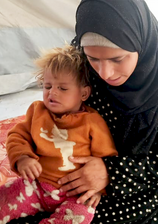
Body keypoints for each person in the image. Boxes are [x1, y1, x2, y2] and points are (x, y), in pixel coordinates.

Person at [8, 0, 158, 223]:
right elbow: (57, 107)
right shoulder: (80, 59)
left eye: (117, 59)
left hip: (132, 186)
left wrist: (110, 173)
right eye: (93, 58)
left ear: (140, 42)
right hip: (63, 176)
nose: (104, 73)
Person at [2, 44, 118, 224]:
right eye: (47, 86)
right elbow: (18, 136)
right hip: (36, 185)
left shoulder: (92, 122)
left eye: (62, 89)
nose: (52, 93)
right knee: (4, 197)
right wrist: (23, 158)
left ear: (84, 93)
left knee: (81, 215)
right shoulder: (37, 111)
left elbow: (106, 158)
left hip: (75, 194)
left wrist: (98, 189)